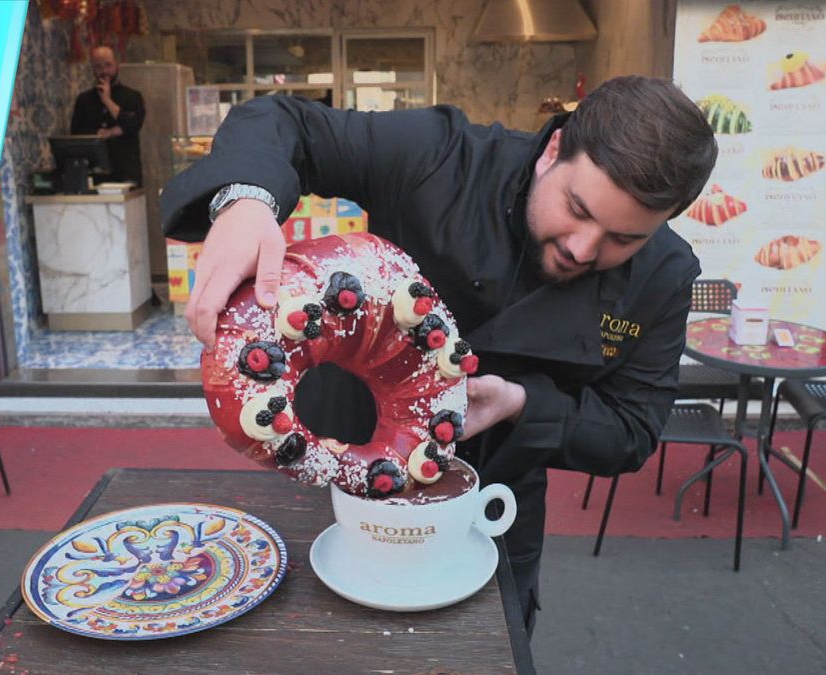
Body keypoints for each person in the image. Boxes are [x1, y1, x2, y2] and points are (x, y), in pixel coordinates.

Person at [160, 76, 717, 634]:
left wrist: (521, 403)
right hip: (333, 468)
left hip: (487, 504)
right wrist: (246, 202)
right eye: (577, 208)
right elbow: (285, 122)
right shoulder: (441, 156)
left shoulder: (663, 277)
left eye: (624, 240)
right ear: (554, 149)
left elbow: (630, 431)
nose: (583, 248)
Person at [69, 46, 146, 186]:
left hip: (126, 173)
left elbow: (132, 126)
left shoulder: (133, 97)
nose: (104, 71)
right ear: (93, 69)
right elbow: (76, 133)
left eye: (108, 65)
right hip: (95, 174)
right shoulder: (84, 100)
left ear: (117, 66)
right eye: (98, 67)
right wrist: (102, 133)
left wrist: (107, 101)